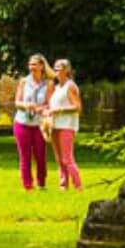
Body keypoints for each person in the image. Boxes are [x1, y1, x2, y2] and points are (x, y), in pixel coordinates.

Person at [12, 53, 52, 191]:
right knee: (25, 156)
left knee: (40, 155)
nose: (31, 67)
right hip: (22, 122)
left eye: (34, 64)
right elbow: (17, 102)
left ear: (42, 66)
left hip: (39, 124)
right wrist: (26, 105)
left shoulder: (48, 84)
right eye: (30, 64)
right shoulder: (24, 81)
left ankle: (41, 183)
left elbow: (49, 104)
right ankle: (28, 185)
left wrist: (40, 108)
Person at [46, 56, 84, 191]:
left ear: (66, 70)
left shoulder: (70, 86)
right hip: (55, 126)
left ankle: (78, 186)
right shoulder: (57, 88)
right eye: (54, 67)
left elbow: (78, 107)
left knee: (67, 159)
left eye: (59, 68)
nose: (56, 70)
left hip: (67, 126)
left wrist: (59, 110)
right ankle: (63, 185)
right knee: (58, 159)